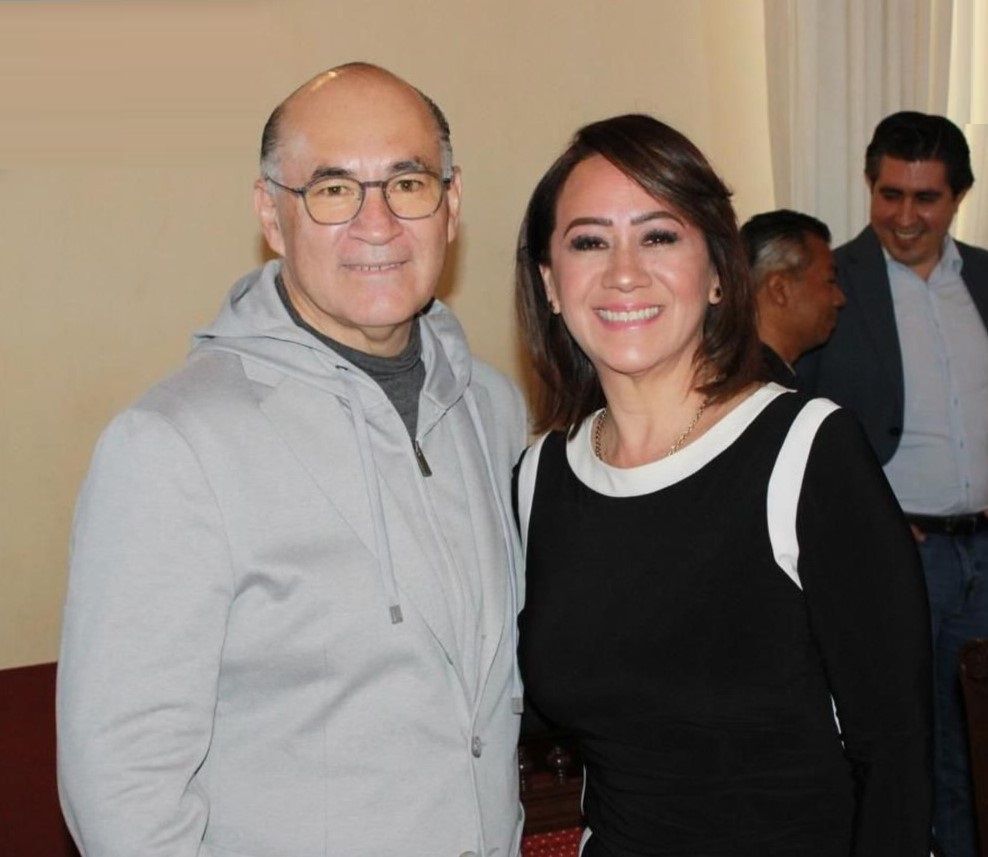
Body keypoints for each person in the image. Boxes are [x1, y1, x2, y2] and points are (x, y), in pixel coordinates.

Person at [57, 63, 528, 857]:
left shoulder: (493, 407)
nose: (377, 223)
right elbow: (122, 788)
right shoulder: (173, 445)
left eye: (407, 183)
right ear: (271, 214)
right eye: (333, 189)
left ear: (450, 205)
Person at [514, 113, 932, 856]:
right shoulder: (539, 479)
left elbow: (895, 752)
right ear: (550, 282)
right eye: (588, 241)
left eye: (659, 236)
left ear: (716, 273)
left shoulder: (807, 450)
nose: (623, 272)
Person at [797, 111, 988, 857]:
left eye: (926, 198)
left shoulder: (986, 278)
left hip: (986, 550)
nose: (905, 217)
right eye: (890, 194)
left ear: (959, 196)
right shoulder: (828, 282)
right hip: (901, 557)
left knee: (979, 740)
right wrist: (865, 520)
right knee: (912, 741)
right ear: (869, 186)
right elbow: (789, 414)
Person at [740, 209, 845, 386]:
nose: (839, 299)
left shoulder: (733, 372)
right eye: (830, 281)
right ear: (780, 290)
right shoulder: (760, 391)